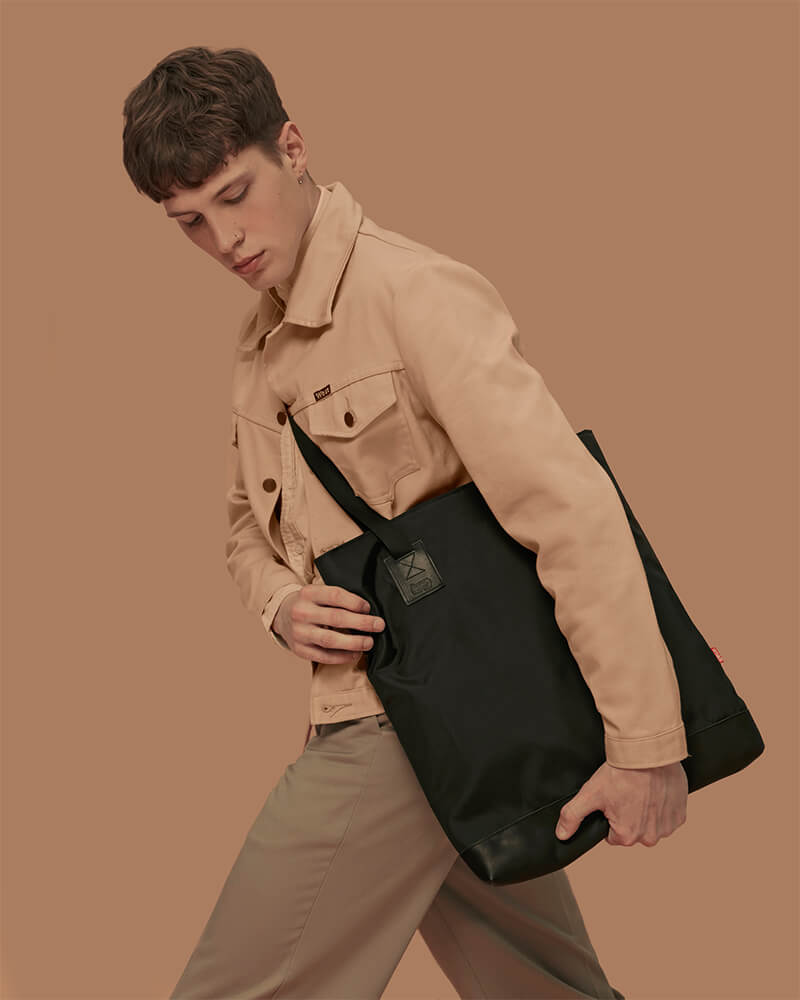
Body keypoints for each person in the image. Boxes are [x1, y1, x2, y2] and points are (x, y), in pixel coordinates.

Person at [122, 44, 688, 999]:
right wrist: (280, 604)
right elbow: (244, 526)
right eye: (190, 223)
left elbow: (571, 506)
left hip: (399, 725)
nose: (224, 239)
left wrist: (646, 744)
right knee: (542, 988)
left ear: (292, 147)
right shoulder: (261, 344)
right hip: (419, 716)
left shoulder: (412, 292)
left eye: (234, 195)